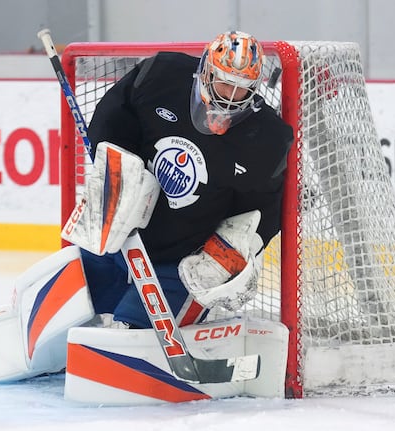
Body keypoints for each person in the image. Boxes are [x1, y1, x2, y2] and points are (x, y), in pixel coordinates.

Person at [74, 30, 294, 329]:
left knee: (129, 335)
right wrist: (117, 173)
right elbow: (111, 118)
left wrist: (231, 251)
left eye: (240, 88)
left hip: (178, 268)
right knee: (72, 321)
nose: (229, 96)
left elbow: (263, 212)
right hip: (115, 240)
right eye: (224, 82)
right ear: (206, 70)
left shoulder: (265, 138)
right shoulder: (161, 76)